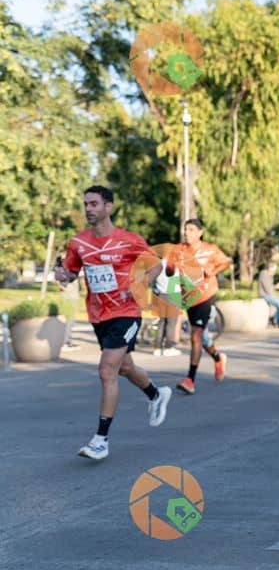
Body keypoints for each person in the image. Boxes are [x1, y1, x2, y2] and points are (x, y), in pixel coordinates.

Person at [54, 186, 172, 461]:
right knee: (125, 367)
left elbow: (156, 264)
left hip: (127, 312)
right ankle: (156, 395)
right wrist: (63, 275)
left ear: (108, 207)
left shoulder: (128, 240)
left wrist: (141, 283)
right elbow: (70, 273)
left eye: (94, 203)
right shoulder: (78, 243)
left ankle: (101, 440)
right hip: (98, 315)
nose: (88, 208)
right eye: (86, 204)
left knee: (107, 370)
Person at [167, 218, 231, 395]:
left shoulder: (210, 249)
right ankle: (218, 357)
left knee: (195, 335)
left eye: (191, 230)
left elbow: (226, 262)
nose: (187, 233)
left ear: (200, 233)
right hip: (189, 298)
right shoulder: (177, 250)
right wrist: (171, 269)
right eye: (186, 229)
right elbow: (168, 271)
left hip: (206, 295)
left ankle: (190, 380)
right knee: (201, 337)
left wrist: (213, 271)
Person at [258, 261, 279, 328]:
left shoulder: (270, 275)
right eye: (274, 269)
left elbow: (271, 290)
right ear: (270, 269)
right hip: (264, 295)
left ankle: (273, 318)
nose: (275, 271)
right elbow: (268, 289)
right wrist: (276, 286)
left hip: (269, 295)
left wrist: (276, 295)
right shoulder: (264, 274)